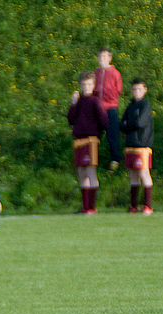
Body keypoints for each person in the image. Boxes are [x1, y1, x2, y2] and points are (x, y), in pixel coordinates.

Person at [67, 70, 108, 215]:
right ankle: (85, 207)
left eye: (89, 84)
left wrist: (97, 132)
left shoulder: (95, 101)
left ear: (93, 84)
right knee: (81, 172)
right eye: (84, 84)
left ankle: (92, 207)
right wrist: (73, 104)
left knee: (91, 171)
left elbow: (104, 121)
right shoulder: (78, 101)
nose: (86, 87)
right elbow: (70, 120)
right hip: (79, 141)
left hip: (91, 140)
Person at [120, 78, 154, 215]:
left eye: (139, 89)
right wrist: (128, 124)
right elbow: (121, 124)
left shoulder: (145, 105)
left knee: (144, 173)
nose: (136, 92)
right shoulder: (130, 106)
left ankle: (148, 206)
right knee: (133, 175)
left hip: (142, 145)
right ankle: (133, 206)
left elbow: (140, 123)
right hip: (130, 144)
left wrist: (129, 124)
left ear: (145, 90)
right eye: (134, 89)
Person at [94, 47, 123, 171]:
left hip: (111, 107)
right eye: (100, 57)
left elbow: (119, 90)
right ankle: (92, 159)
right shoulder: (95, 73)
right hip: (98, 109)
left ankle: (115, 159)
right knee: (95, 134)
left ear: (109, 58)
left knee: (112, 134)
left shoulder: (114, 73)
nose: (101, 59)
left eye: (104, 57)